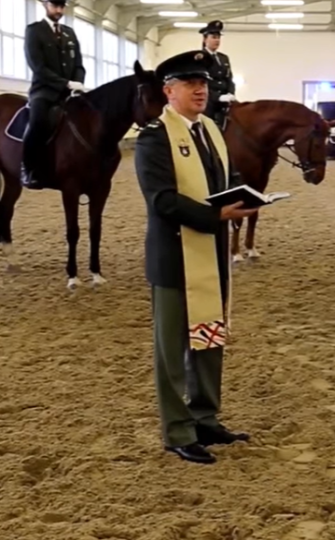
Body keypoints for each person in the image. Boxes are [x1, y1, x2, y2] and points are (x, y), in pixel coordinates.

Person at [135, 49, 258, 464]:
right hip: (174, 258)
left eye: (203, 83)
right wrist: (215, 215)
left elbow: (229, 177)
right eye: (190, 83)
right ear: (169, 91)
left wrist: (246, 195)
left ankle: (204, 416)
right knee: (172, 350)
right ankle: (177, 431)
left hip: (211, 253)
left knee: (209, 338)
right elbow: (162, 201)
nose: (201, 89)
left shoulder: (211, 129)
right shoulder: (154, 137)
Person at [20, 0, 86, 190]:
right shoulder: (34, 30)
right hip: (44, 91)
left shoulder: (69, 33)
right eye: (55, 6)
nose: (59, 10)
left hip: (71, 91)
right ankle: (29, 168)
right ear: (46, 5)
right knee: (37, 123)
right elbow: (37, 66)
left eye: (62, 6)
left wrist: (78, 82)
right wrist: (64, 83)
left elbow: (79, 64)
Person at [199, 20, 236, 130]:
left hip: (225, 102)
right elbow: (202, 83)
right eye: (214, 37)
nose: (217, 40)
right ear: (205, 39)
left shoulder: (223, 58)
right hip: (209, 103)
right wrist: (218, 97)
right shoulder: (200, 58)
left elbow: (229, 78)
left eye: (218, 37)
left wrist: (230, 93)